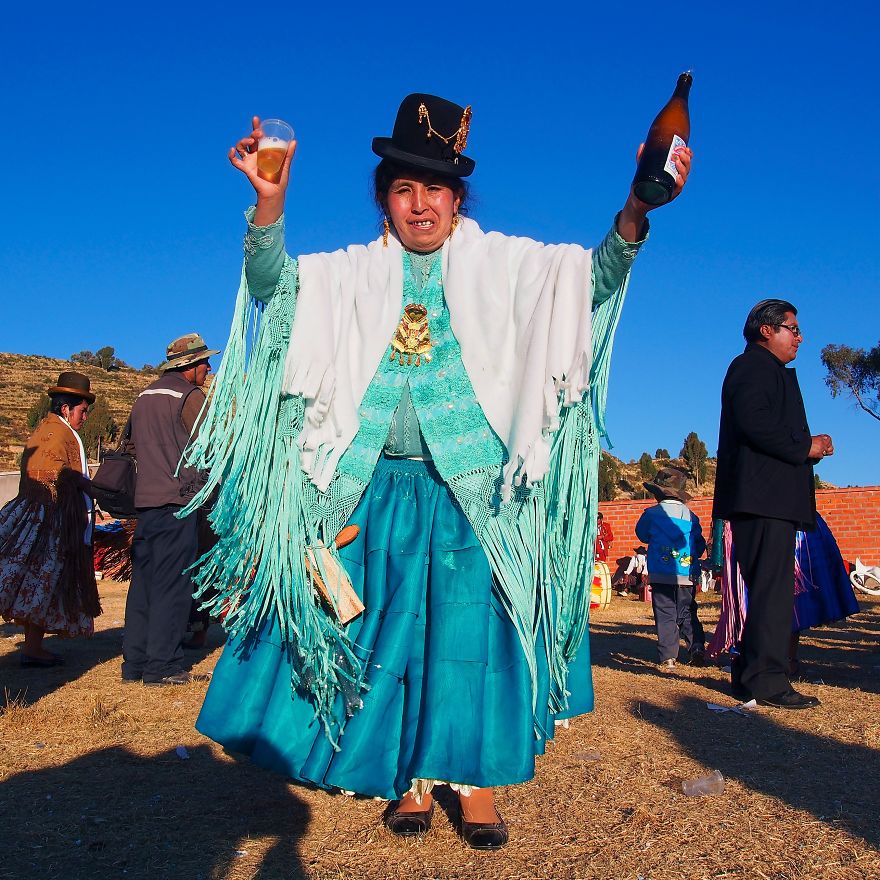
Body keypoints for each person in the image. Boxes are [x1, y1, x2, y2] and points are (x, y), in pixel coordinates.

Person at [183, 94, 692, 849]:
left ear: (458, 199)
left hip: (476, 496)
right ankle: (415, 780)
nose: (420, 204)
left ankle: (476, 783)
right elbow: (272, 291)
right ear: (384, 199)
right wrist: (270, 204)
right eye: (403, 188)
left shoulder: (509, 267)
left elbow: (588, 285)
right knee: (393, 634)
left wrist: (634, 208)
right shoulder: (345, 276)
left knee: (472, 637)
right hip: (375, 489)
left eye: (435, 189)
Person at [713, 299, 833, 709]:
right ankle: (768, 681)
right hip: (763, 499)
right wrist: (806, 447)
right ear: (767, 330)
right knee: (773, 593)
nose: (800, 337)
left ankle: (751, 676)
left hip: (766, 499)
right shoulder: (751, 367)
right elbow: (755, 422)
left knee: (769, 591)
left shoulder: (764, 371)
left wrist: (806, 450)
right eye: (793, 328)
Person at [121, 333, 218, 686]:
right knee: (173, 584)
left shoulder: (144, 397)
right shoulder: (190, 397)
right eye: (204, 361)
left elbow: (130, 445)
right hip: (178, 502)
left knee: (144, 583)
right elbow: (212, 444)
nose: (209, 367)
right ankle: (163, 666)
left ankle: (134, 664)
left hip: (145, 503)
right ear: (188, 366)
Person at [0, 372, 101, 665]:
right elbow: (54, 474)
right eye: (83, 410)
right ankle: (32, 649)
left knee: (43, 581)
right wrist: (88, 487)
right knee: (39, 578)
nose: (85, 416)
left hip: (45, 516)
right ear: (66, 408)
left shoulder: (51, 428)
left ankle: (33, 648)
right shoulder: (57, 432)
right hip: (47, 520)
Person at [709, 513, 860, 677]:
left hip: (788, 522)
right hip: (760, 521)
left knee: (791, 600)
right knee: (755, 598)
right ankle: (757, 658)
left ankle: (784, 659)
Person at [635, 466, 706, 668]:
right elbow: (699, 544)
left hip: (661, 573)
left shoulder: (651, 514)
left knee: (665, 612)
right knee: (687, 611)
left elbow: (642, 534)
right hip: (686, 574)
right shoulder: (692, 517)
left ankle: (668, 657)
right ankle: (697, 647)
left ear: (658, 492)